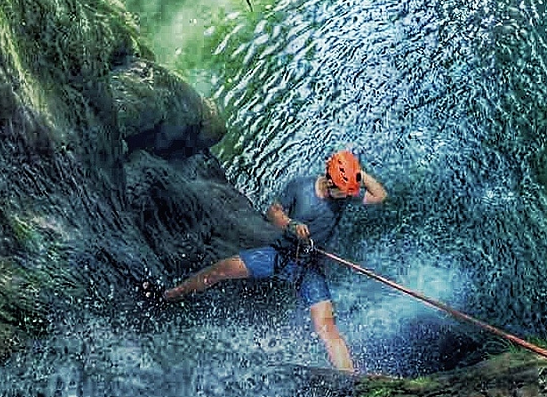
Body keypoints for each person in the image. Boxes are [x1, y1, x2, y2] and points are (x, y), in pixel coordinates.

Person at [164, 151, 388, 372]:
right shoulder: (300, 187)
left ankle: (350, 378)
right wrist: (292, 225)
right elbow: (273, 211)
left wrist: (358, 172)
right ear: (330, 180)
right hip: (279, 255)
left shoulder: (345, 194)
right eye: (343, 190)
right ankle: (174, 293)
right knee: (220, 270)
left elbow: (380, 195)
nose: (347, 195)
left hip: (309, 268)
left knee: (326, 327)